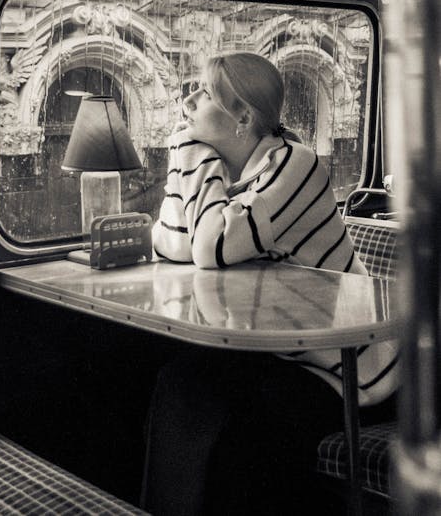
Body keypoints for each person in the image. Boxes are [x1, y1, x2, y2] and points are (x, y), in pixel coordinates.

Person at [142, 52, 398, 515]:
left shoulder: (297, 165)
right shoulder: (234, 173)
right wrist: (201, 159)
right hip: (285, 350)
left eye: (204, 91)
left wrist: (189, 151)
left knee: (252, 426)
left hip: (354, 368)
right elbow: (169, 241)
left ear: (243, 116)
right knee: (180, 381)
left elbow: (209, 248)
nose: (189, 99)